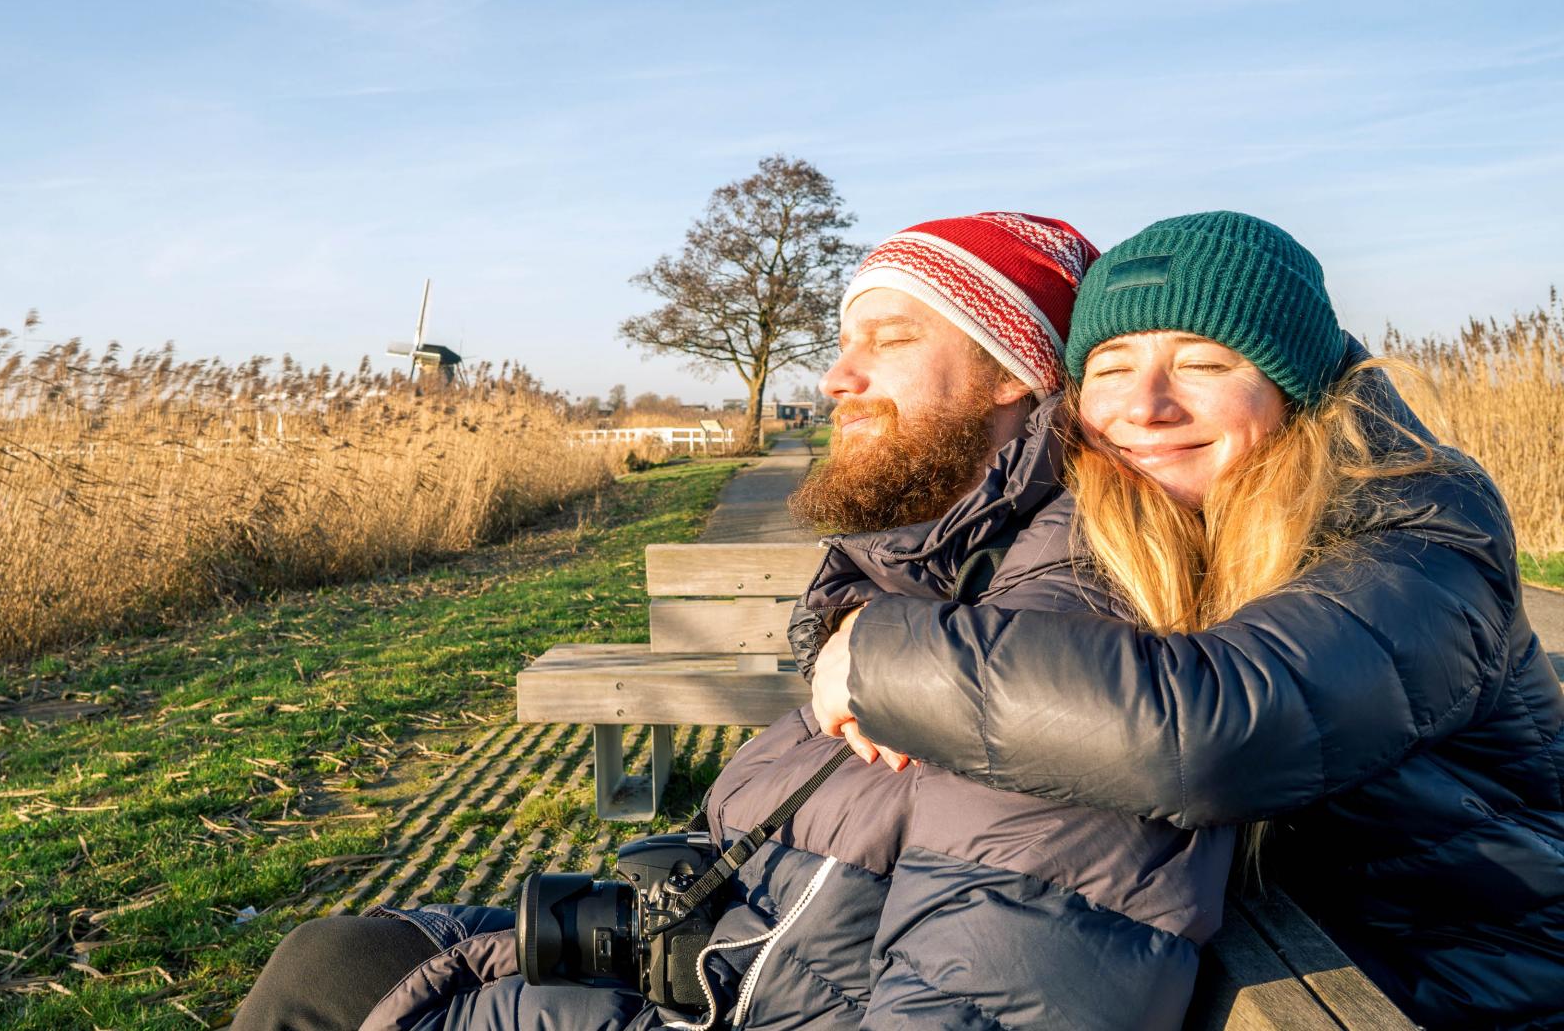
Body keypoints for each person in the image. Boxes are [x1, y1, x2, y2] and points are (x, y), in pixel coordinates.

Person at [234, 214, 1236, 1030]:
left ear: (1017, 372)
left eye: (888, 342)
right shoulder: (931, 578)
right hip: (735, 960)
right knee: (340, 958)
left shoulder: (1060, 634)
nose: (837, 378)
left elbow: (986, 991)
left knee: (351, 994)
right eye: (842, 344)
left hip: (758, 999)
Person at [810, 210, 1564, 1030]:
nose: (1146, 406)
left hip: (1474, 984)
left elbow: (1218, 730)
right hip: (1281, 955)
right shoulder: (1157, 521)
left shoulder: (1412, 525)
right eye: (1111, 366)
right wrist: (845, 614)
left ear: (1294, 386)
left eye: (1204, 363)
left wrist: (878, 655)